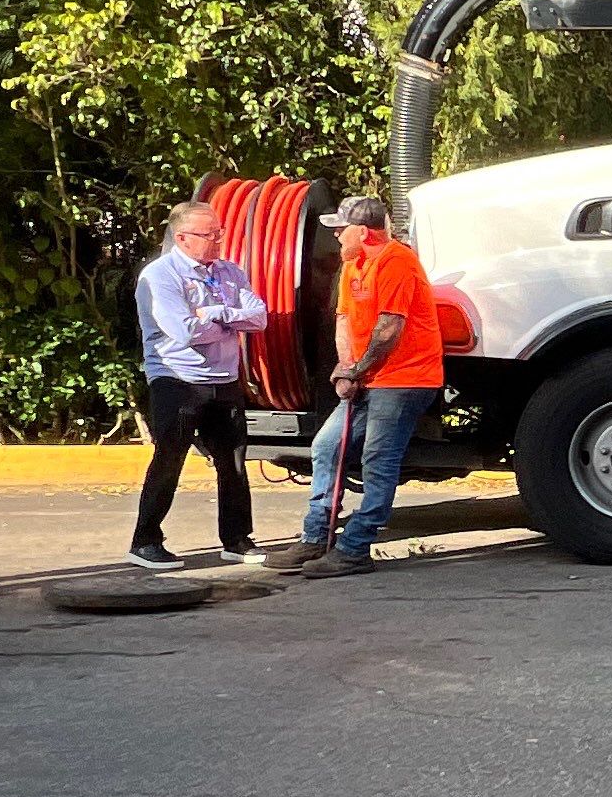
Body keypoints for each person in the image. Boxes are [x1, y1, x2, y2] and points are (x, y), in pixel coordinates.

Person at [262, 195, 442, 577]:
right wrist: (347, 368)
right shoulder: (353, 264)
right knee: (326, 446)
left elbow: (389, 328)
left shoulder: (397, 261)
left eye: (342, 229)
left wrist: (355, 371)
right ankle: (318, 536)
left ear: (364, 231)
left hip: (405, 380)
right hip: (371, 376)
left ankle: (355, 547)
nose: (338, 236)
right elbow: (344, 318)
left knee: (378, 461)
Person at [127, 199, 268, 570]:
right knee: (170, 457)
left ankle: (237, 539)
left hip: (225, 379)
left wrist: (219, 313)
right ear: (183, 237)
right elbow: (184, 330)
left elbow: (259, 317)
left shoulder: (230, 272)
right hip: (177, 379)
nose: (219, 240)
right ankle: (145, 541)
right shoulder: (160, 276)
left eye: (220, 232)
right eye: (211, 234)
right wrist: (228, 322)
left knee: (233, 461)